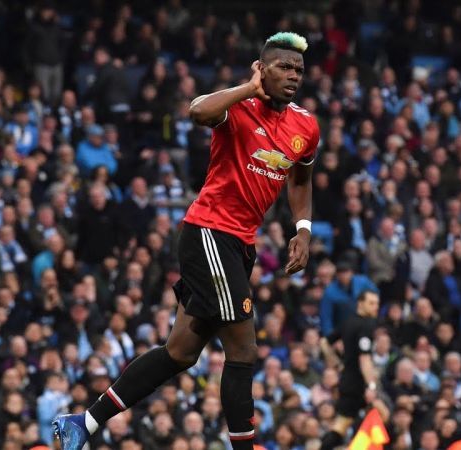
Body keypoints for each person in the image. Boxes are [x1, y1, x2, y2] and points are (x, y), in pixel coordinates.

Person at [53, 31, 319, 450]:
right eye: (284, 67)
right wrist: (247, 88)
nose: (293, 75)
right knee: (244, 350)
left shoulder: (305, 124)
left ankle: (83, 422)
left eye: (299, 70)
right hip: (209, 232)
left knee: (180, 353)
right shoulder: (238, 108)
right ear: (261, 68)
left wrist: (302, 229)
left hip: (240, 244)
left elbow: (300, 179)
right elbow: (196, 111)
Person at [318, 290, 381, 450]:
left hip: (347, 380)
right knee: (380, 417)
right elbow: (364, 359)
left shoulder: (348, 322)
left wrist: (338, 365)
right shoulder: (365, 325)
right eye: (371, 303)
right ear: (360, 303)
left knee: (347, 424)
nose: (376, 307)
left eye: (377, 304)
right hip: (358, 385)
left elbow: (325, 343)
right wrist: (371, 386)